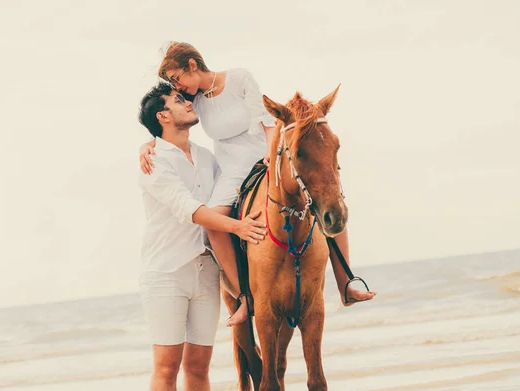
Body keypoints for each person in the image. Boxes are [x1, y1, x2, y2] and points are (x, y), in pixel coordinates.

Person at [140, 42, 376, 308]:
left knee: (328, 198)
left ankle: (346, 283)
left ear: (192, 65)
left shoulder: (239, 78)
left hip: (263, 157)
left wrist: (270, 155)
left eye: (176, 78)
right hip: (230, 171)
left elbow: (265, 120)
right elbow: (169, 121)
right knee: (213, 226)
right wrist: (149, 144)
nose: (177, 86)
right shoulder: (193, 100)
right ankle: (245, 297)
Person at [137, 82, 266, 391]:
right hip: (167, 273)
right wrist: (236, 227)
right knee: (166, 367)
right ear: (163, 116)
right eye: (178, 101)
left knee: (198, 366)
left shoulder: (207, 157)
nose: (188, 103)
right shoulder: (155, 162)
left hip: (207, 271)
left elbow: (235, 186)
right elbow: (191, 210)